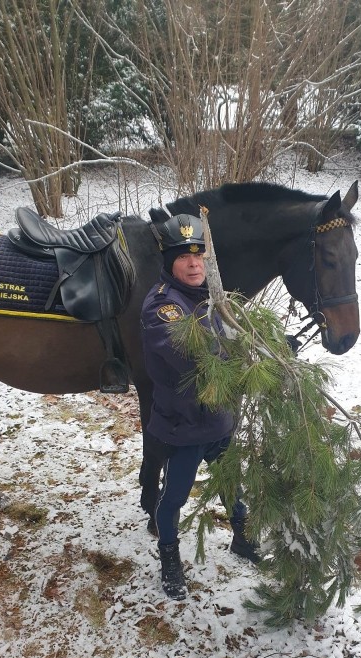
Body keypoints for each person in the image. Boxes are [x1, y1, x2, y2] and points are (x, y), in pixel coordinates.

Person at [140, 213, 259, 601]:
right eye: (183, 256)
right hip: (184, 426)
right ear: (169, 261)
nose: (194, 264)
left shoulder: (213, 297)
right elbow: (195, 357)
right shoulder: (162, 308)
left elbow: (238, 331)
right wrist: (249, 355)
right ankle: (170, 559)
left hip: (219, 419)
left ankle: (242, 539)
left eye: (199, 255)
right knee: (174, 497)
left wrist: (269, 343)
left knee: (231, 486)